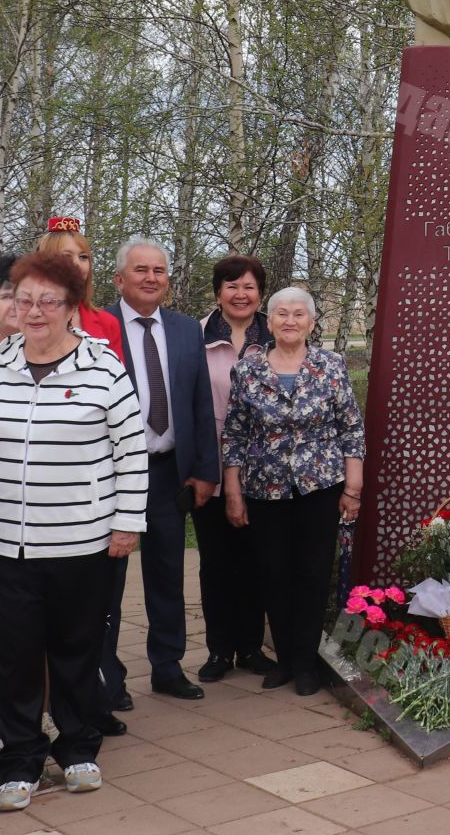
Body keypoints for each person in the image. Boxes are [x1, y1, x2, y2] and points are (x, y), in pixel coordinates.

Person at [0, 251, 146, 814]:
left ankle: (78, 750)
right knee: (15, 657)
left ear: (72, 307)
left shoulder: (103, 368)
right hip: (5, 543)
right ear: (9, 304)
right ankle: (20, 760)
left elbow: (131, 451)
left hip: (83, 542)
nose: (34, 310)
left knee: (76, 651)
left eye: (48, 300)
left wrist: (128, 522)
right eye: (23, 299)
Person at [222, 288, 365, 696]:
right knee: (274, 573)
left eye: (298, 314)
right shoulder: (248, 370)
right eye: (281, 314)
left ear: (311, 323)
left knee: (312, 573)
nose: (289, 320)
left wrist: (352, 487)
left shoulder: (331, 365)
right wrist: (232, 489)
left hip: (319, 486)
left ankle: (307, 663)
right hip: (264, 490)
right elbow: (234, 433)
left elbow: (350, 427)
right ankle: (285, 659)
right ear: (267, 323)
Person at [101, 237, 218, 707]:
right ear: (119, 279)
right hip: (112, 476)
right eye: (141, 270)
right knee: (109, 580)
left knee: (168, 573)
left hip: (171, 473)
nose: (151, 278)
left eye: (160, 270)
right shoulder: (98, 326)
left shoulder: (187, 329)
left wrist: (205, 468)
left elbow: (200, 402)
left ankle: (168, 667)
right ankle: (109, 675)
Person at [197, 254, 277, 683]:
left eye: (248, 286)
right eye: (231, 286)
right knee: (216, 561)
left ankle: (250, 648)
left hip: (266, 470)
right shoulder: (196, 335)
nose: (240, 294)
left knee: (256, 560)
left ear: (259, 293)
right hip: (211, 466)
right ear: (218, 292)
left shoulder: (276, 335)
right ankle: (218, 650)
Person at [37, 217, 125, 361]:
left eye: (83, 257)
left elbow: (118, 380)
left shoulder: (108, 322)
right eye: (66, 256)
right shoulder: (23, 317)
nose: (77, 264)